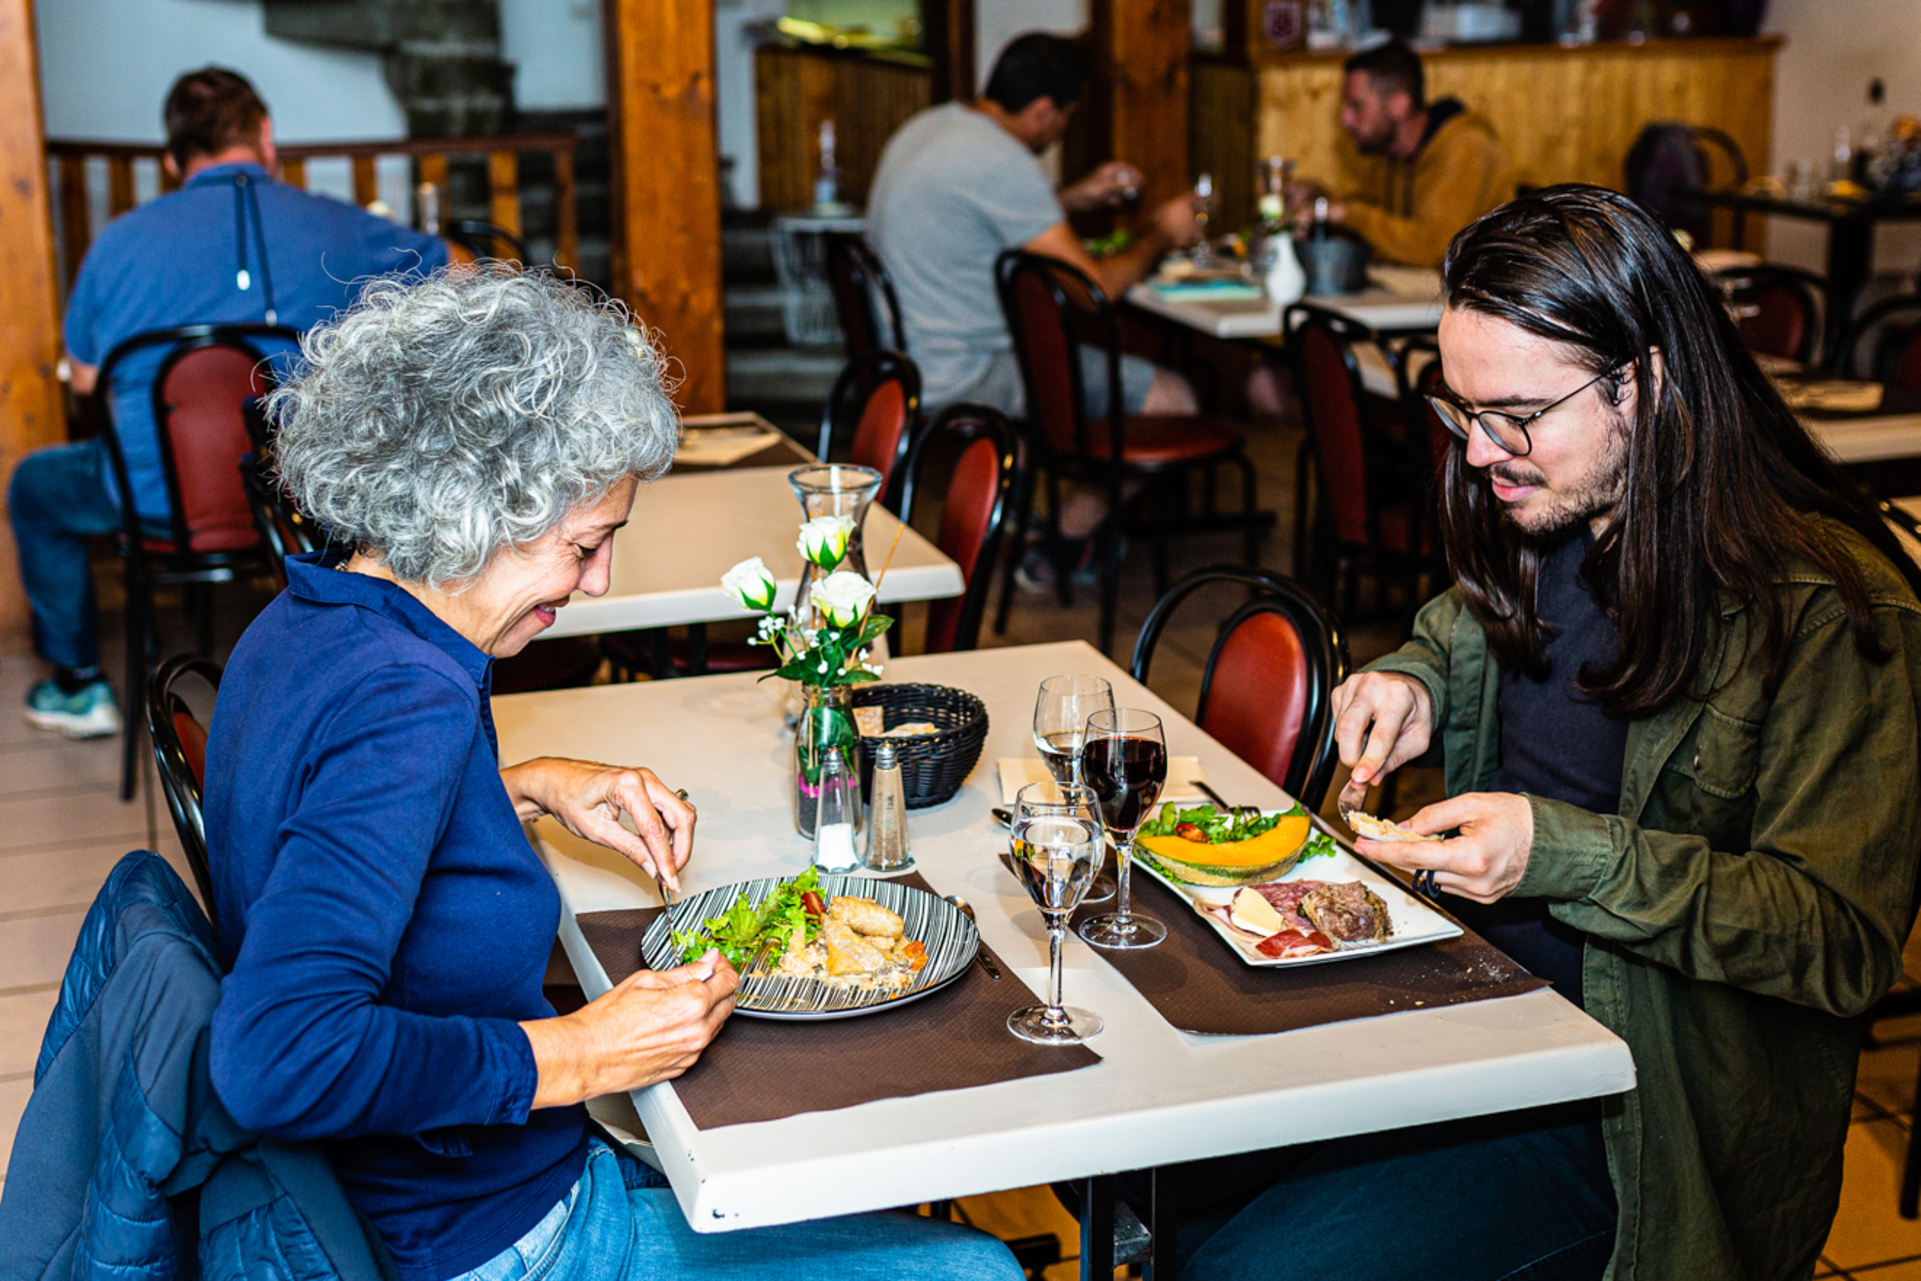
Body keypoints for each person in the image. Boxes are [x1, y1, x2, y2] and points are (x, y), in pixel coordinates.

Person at [1148, 186, 1921, 1279]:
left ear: (1644, 385)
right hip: (1465, 1002)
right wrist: (1415, 678)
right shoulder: (1545, 502)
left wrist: (1554, 853)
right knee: (1163, 1179)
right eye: (1460, 412)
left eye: (1512, 415)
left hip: (1634, 1106)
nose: (1477, 453)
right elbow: (1459, 624)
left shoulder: (1832, 612)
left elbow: (1837, 945)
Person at [202, 266, 1021, 1281]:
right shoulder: (407, 700)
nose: (596, 583)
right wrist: (588, 1052)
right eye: (586, 544)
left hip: (421, 1193)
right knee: (975, 1272)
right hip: (481, 1237)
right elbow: (276, 1057)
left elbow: (320, 837)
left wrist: (530, 784)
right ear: (473, 508)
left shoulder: (305, 624)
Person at [8, 66, 449, 739]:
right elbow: (467, 272)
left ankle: (79, 683)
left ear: (171, 160)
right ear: (266, 136)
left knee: (34, 487)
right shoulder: (337, 223)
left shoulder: (118, 242)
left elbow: (85, 382)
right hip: (301, 498)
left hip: (155, 501)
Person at [867, 33, 1200, 582]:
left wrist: (1071, 199)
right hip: (967, 369)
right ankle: (1062, 544)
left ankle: (1019, 518)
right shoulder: (1001, 159)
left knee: (1065, 368)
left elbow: (978, 214)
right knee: (1175, 398)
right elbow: (1094, 289)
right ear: (1043, 111)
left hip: (906, 360)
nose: (1061, 129)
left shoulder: (930, 128)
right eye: (1066, 118)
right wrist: (1163, 232)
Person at [1292, 39, 1512, 268]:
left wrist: (1342, 213)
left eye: (1356, 106)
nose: (1344, 119)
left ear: (1399, 105)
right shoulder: (1391, 153)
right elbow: (1377, 218)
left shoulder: (1467, 146)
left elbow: (1435, 249)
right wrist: (1320, 201)